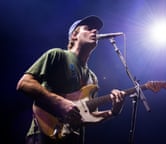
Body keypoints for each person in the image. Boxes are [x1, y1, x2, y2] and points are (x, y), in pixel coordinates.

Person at [16, 15, 126, 144]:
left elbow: (89, 116)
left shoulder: (93, 78)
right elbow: (24, 83)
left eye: (96, 29)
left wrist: (113, 112)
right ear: (74, 35)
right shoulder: (58, 55)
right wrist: (59, 103)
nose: (95, 31)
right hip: (44, 134)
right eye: (89, 28)